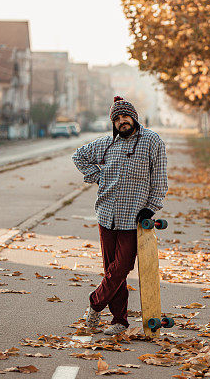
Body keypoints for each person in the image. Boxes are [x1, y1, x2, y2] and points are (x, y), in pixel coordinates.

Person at [72, 96, 168, 335]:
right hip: (106, 215)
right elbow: (79, 156)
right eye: (117, 119)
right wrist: (99, 177)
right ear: (113, 123)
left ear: (134, 117)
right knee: (112, 271)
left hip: (133, 219)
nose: (122, 121)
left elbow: (160, 178)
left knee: (121, 268)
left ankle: (95, 303)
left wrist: (152, 206)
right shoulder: (106, 144)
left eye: (125, 116)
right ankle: (119, 322)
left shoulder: (152, 141)